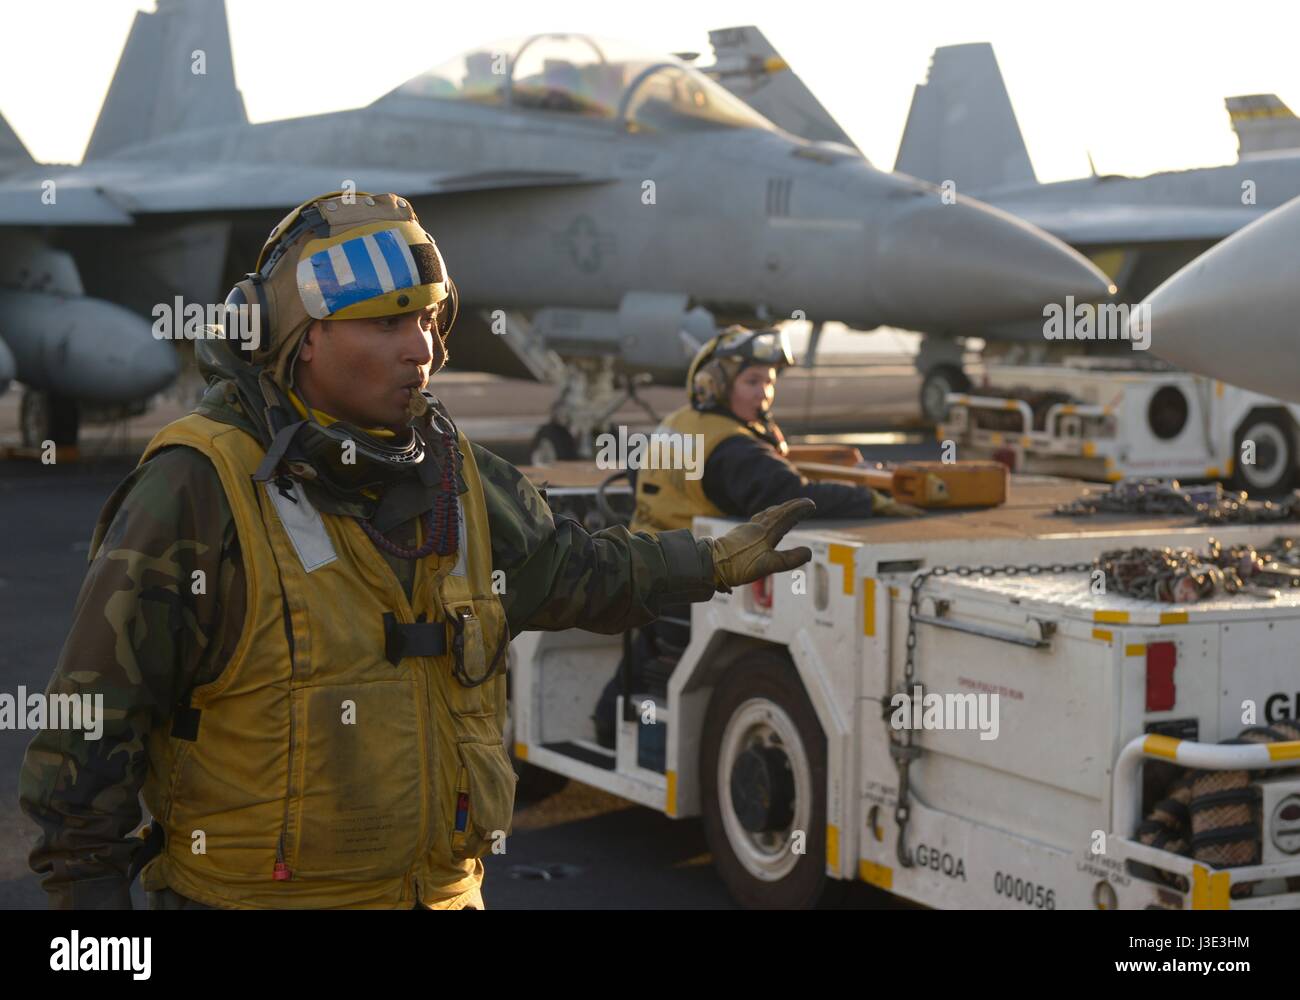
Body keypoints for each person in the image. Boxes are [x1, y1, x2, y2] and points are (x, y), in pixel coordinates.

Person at [17, 192, 815, 910]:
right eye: (386, 322)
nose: (422, 350)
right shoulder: (198, 487)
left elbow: (573, 572)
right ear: (302, 338)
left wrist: (709, 563)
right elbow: (87, 738)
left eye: (429, 319)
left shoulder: (458, 474)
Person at [594, 325, 921, 747]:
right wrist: (874, 497)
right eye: (751, 381)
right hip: (693, 589)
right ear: (714, 384)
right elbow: (790, 497)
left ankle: (607, 725)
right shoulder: (732, 448)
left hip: (653, 577)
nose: (764, 394)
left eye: (768, 382)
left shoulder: (677, 425)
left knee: (642, 663)